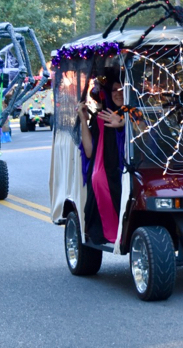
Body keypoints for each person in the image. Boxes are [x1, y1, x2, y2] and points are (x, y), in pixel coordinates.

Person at [78, 73, 126, 244]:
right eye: (114, 89)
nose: (118, 93)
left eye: (122, 89)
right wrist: (84, 121)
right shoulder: (103, 116)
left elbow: (144, 129)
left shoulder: (135, 113)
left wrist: (123, 123)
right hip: (105, 177)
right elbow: (90, 151)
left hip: (129, 172)